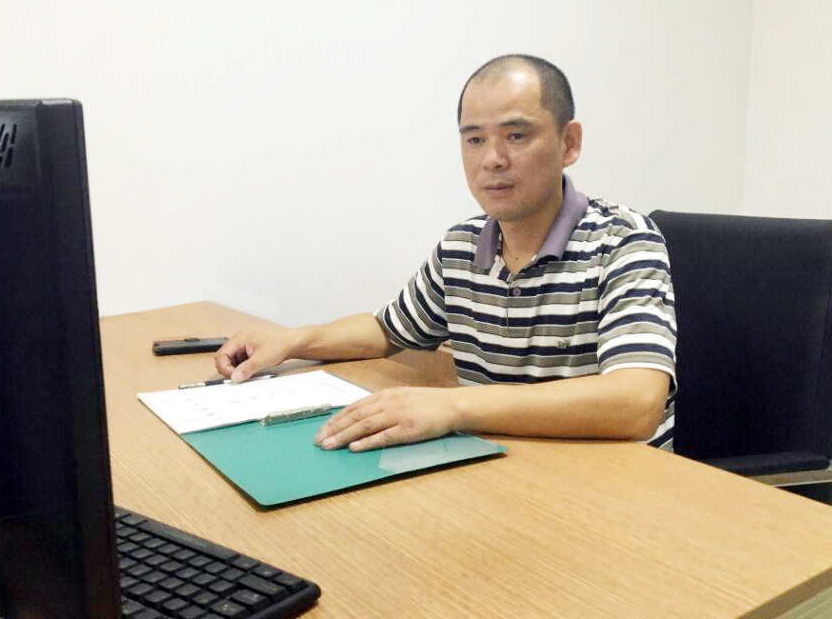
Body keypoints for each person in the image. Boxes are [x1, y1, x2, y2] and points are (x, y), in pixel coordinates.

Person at [215, 54, 677, 452]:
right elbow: (386, 330)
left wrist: (451, 405)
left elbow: (636, 403)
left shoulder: (624, 241)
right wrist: (291, 342)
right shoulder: (462, 245)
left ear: (569, 143)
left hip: (615, 491)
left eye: (517, 136)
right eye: (474, 139)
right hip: (504, 470)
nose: (491, 158)